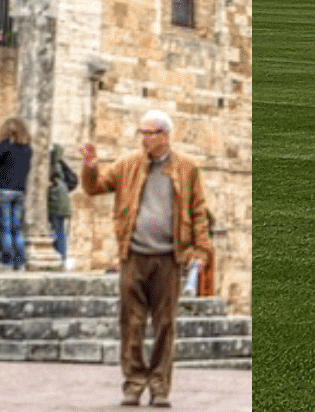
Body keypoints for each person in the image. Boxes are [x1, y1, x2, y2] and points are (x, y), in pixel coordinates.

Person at [79, 109, 213, 410]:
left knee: (165, 325)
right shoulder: (127, 165)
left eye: (149, 133)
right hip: (133, 256)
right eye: (140, 133)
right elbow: (94, 187)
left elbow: (198, 211)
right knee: (132, 324)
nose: (143, 139)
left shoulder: (187, 169)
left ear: (164, 136)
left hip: (168, 258)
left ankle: (160, 387)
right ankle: (134, 384)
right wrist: (90, 167)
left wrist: (201, 250)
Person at [0, 117, 35, 270]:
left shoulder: (5, 146)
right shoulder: (27, 149)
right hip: (19, 191)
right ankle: (20, 262)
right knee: (16, 227)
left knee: (5, 226)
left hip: (3, 190)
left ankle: (7, 261)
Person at [45, 141, 79, 267]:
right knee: (60, 230)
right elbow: (74, 180)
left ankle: (61, 258)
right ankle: (62, 258)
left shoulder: (53, 166)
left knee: (57, 230)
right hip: (62, 204)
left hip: (56, 203)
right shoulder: (61, 165)